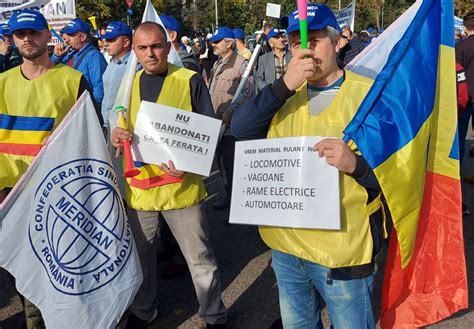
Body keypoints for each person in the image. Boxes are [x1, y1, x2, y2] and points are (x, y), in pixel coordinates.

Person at [231, 4, 384, 328]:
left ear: (338, 42)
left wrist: (355, 165)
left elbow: (395, 174)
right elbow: (241, 129)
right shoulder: (281, 94)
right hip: (288, 250)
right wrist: (284, 85)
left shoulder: (367, 94)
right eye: (297, 42)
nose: (306, 50)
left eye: (314, 40)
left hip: (343, 251)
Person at [110, 22, 227, 328]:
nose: (151, 54)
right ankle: (144, 310)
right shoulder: (128, 83)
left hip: (181, 189)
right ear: (134, 50)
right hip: (142, 191)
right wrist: (116, 134)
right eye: (143, 48)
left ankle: (214, 316)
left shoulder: (188, 80)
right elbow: (120, 124)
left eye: (156, 46)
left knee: (200, 258)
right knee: (142, 258)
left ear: (167, 45)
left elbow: (208, 131)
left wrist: (190, 161)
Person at [0, 9, 102, 329]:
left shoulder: (73, 80)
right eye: (20, 34)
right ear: (13, 40)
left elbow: (91, 138)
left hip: (59, 194)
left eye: (34, 32)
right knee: (25, 272)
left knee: (64, 268)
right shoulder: (1, 84)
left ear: (47, 35)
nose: (27, 39)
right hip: (12, 196)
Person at [208, 27, 254, 209]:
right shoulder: (217, 64)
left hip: (231, 126)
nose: (213, 44)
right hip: (216, 124)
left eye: (218, 41)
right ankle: (229, 196)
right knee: (222, 165)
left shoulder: (242, 64)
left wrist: (231, 111)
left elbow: (248, 92)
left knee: (233, 166)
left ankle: (239, 204)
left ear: (229, 43)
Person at [51, 18, 107, 108]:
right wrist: (56, 57)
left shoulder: (94, 57)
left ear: (83, 37)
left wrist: (89, 112)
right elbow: (52, 74)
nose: (66, 40)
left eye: (71, 35)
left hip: (82, 112)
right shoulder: (71, 53)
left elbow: (99, 90)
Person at [101, 21, 133, 131]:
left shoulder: (134, 66)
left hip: (122, 127)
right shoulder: (111, 63)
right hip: (105, 124)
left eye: (111, 40)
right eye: (106, 39)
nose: (105, 43)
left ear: (126, 42)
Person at [455, 12, 474, 184]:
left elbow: (456, 73)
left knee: (460, 136)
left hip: (465, 95)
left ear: (465, 27)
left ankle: (456, 176)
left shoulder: (461, 47)